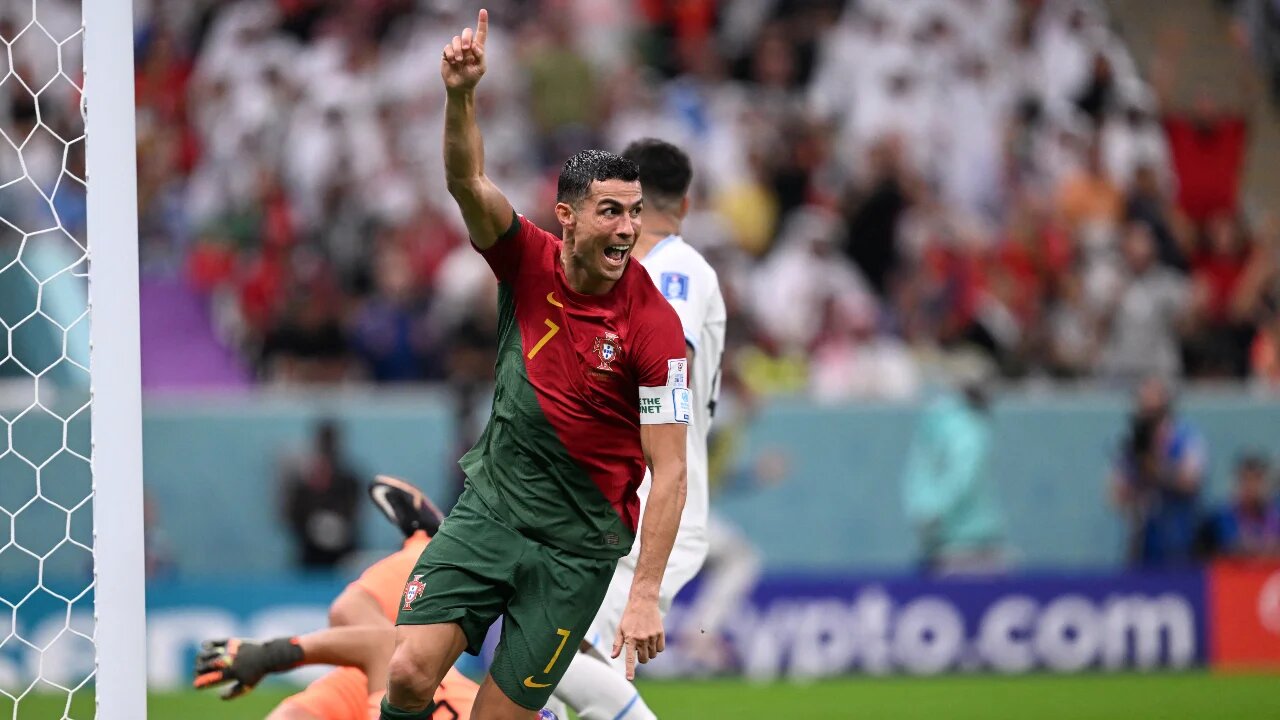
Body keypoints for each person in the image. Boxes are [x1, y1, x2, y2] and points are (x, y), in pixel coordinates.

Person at [383, 11, 690, 720]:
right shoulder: (526, 259)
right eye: (609, 211)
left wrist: (643, 593)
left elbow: (670, 469)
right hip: (491, 512)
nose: (625, 229)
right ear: (568, 217)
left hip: (576, 553)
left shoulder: (655, 326)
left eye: (635, 213)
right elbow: (468, 182)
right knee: (407, 673)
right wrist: (461, 96)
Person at [547, 138, 726, 720]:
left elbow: (665, 361)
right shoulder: (632, 275)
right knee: (564, 655)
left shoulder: (675, 270)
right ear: (688, 203)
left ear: (632, 203)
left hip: (652, 496)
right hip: (621, 492)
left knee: (559, 652)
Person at [194, 476, 478, 720]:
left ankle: (426, 547)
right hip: (417, 694)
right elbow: (383, 645)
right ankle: (427, 548)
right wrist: (271, 655)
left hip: (395, 693)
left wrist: (269, 656)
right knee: (352, 615)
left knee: (349, 613)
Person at [901, 380, 1006, 575]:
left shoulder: (936, 421)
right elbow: (962, 476)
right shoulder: (965, 428)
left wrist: (924, 512)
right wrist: (935, 512)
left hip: (948, 537)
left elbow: (919, 475)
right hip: (966, 541)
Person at [1110, 377, 1206, 568]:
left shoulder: (1187, 437)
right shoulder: (1133, 445)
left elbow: (1191, 481)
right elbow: (1116, 494)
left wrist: (1158, 470)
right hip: (1143, 538)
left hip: (1180, 535)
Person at [280, 419, 362, 570]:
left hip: (344, 552)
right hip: (311, 552)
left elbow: (354, 514)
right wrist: (313, 524)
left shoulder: (349, 481)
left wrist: (334, 524)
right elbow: (291, 514)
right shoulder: (303, 483)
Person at [1207, 454, 1280, 558]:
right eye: (1246, 480)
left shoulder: (1275, 515)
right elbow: (1232, 546)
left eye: (1257, 480)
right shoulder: (1223, 517)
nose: (1252, 487)